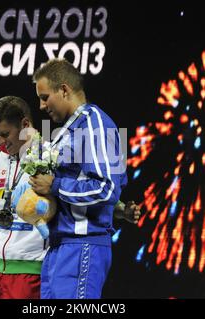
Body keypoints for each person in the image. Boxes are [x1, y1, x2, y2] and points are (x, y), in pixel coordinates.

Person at [0, 96, 139, 299]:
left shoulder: (53, 156)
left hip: (34, 269)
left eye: (5, 134)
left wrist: (119, 208)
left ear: (25, 125)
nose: (0, 142)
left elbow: (84, 185)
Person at [30, 58, 128, 299]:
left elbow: (106, 189)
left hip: (82, 245)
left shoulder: (94, 124)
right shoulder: (67, 131)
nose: (42, 106)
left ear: (64, 89)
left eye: (45, 97)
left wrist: (54, 185)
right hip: (60, 246)